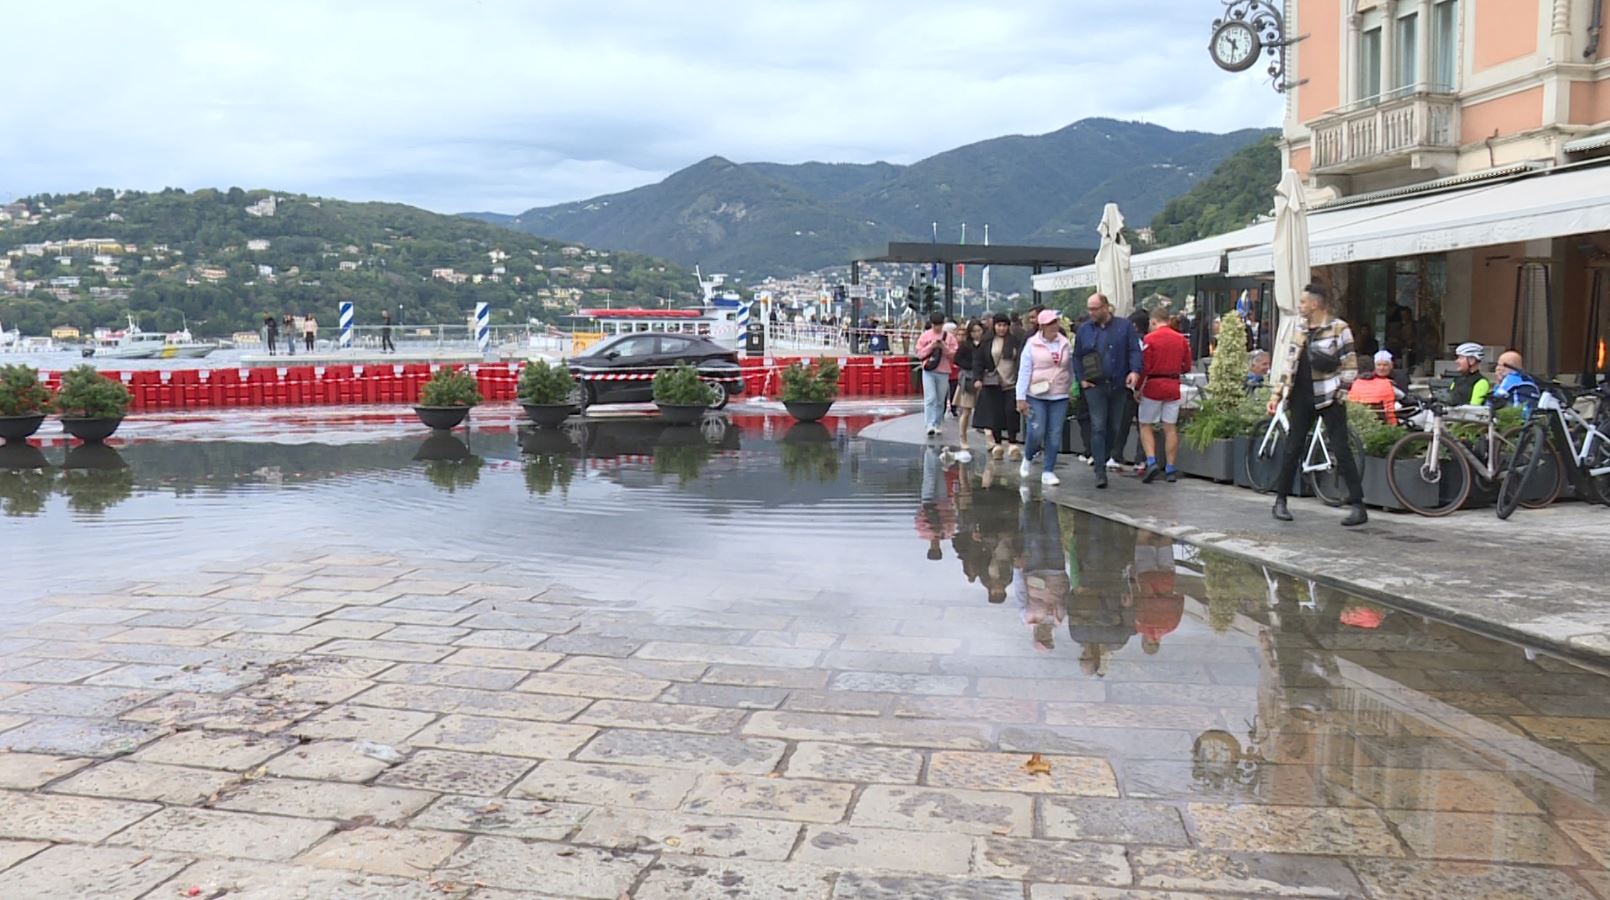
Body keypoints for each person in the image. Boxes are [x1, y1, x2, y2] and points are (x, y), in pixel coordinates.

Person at [1268, 283, 1367, 527]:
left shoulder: (1338, 329)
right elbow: (1289, 364)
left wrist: (1340, 394)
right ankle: (1280, 501)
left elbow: (1350, 365)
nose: (1300, 306)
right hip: (1301, 397)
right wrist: (1277, 394)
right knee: (1292, 448)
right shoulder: (1299, 329)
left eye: (1302, 302)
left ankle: (1358, 506)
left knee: (1341, 450)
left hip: (1328, 396)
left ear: (1315, 304)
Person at [1073, 294, 1143, 489]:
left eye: (1094, 309)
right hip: (1094, 385)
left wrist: (1134, 371)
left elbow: (1134, 350)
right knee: (1098, 425)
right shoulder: (1084, 330)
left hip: (1118, 383)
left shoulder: (1124, 327)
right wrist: (1082, 379)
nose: (1091, 313)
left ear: (1106, 307)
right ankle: (1100, 470)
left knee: (1115, 426)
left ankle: (1103, 455)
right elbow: (1077, 356)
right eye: (1089, 309)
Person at [1016, 309, 1076, 486]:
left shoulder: (1065, 343)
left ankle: (1048, 470)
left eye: (1055, 322)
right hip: (1036, 393)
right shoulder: (1032, 344)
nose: (1054, 326)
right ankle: (1028, 455)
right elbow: (1024, 370)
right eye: (1050, 323)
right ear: (1041, 326)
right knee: (1037, 429)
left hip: (1059, 394)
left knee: (1055, 433)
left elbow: (1070, 368)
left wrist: (1071, 387)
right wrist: (1020, 397)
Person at [1138, 305, 1192, 483]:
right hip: (1173, 385)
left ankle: (1152, 461)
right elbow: (1187, 366)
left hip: (1154, 385)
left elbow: (1145, 366)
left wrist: (1138, 387)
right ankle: (1170, 468)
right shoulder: (1181, 339)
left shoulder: (1150, 339)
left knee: (1145, 425)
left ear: (1153, 322)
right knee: (1170, 427)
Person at [972, 313, 1023, 460]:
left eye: (1004, 325)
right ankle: (998, 444)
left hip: (1011, 383)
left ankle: (1013, 443)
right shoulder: (987, 341)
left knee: (1010, 412)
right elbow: (978, 361)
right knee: (994, 414)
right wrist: (978, 378)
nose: (1001, 328)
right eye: (999, 325)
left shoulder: (1015, 341)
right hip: (993, 383)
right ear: (994, 326)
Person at [915, 311, 958, 437]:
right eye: (935, 325)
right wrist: (931, 346)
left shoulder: (949, 337)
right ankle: (929, 424)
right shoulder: (925, 336)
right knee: (930, 398)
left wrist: (944, 348)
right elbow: (919, 354)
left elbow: (953, 355)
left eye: (939, 325)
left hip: (944, 371)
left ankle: (938, 423)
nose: (937, 327)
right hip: (928, 370)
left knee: (940, 399)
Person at [1347, 350, 1405, 425]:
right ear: (1374, 367)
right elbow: (1402, 396)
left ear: (1391, 366)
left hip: (1360, 422)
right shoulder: (1387, 383)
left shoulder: (1355, 384)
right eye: (1379, 365)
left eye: (1385, 365)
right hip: (1385, 420)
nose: (1381, 368)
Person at [953, 320, 984, 450]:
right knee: (966, 411)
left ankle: (989, 438)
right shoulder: (966, 345)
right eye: (974, 331)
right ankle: (962, 437)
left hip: (982, 378)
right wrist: (971, 366)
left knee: (984, 409)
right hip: (968, 378)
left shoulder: (985, 344)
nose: (977, 334)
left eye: (979, 330)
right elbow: (957, 359)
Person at [1491, 349, 1541, 418]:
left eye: (1500, 365)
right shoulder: (1527, 381)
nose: (1497, 368)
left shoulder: (1511, 380)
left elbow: (1492, 402)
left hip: (1512, 423)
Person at [1448, 342, 1491, 406]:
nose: (1457, 361)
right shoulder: (1457, 380)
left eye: (1461, 357)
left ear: (1472, 360)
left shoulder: (1481, 382)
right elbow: (1448, 399)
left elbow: (1473, 408)